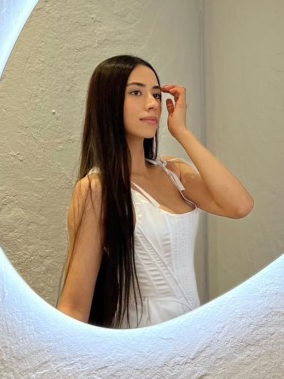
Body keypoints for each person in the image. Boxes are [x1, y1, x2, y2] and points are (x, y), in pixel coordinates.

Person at [57, 55, 254, 328]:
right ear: (108, 101)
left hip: (192, 333)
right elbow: (74, 307)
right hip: (140, 340)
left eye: (156, 94)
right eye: (136, 92)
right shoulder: (96, 189)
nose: (152, 103)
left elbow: (239, 205)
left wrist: (182, 131)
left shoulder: (173, 172)